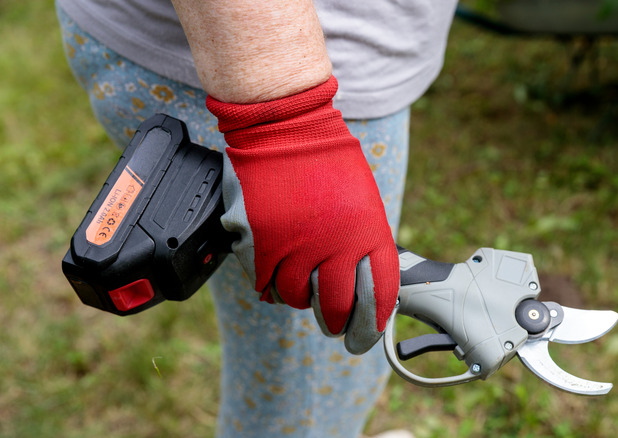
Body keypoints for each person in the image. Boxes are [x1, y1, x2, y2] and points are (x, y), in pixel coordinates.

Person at [56, 0, 457, 436]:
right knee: (305, 392)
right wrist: (288, 122)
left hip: (212, 51)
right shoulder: (290, 113)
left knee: (306, 367)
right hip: (272, 80)